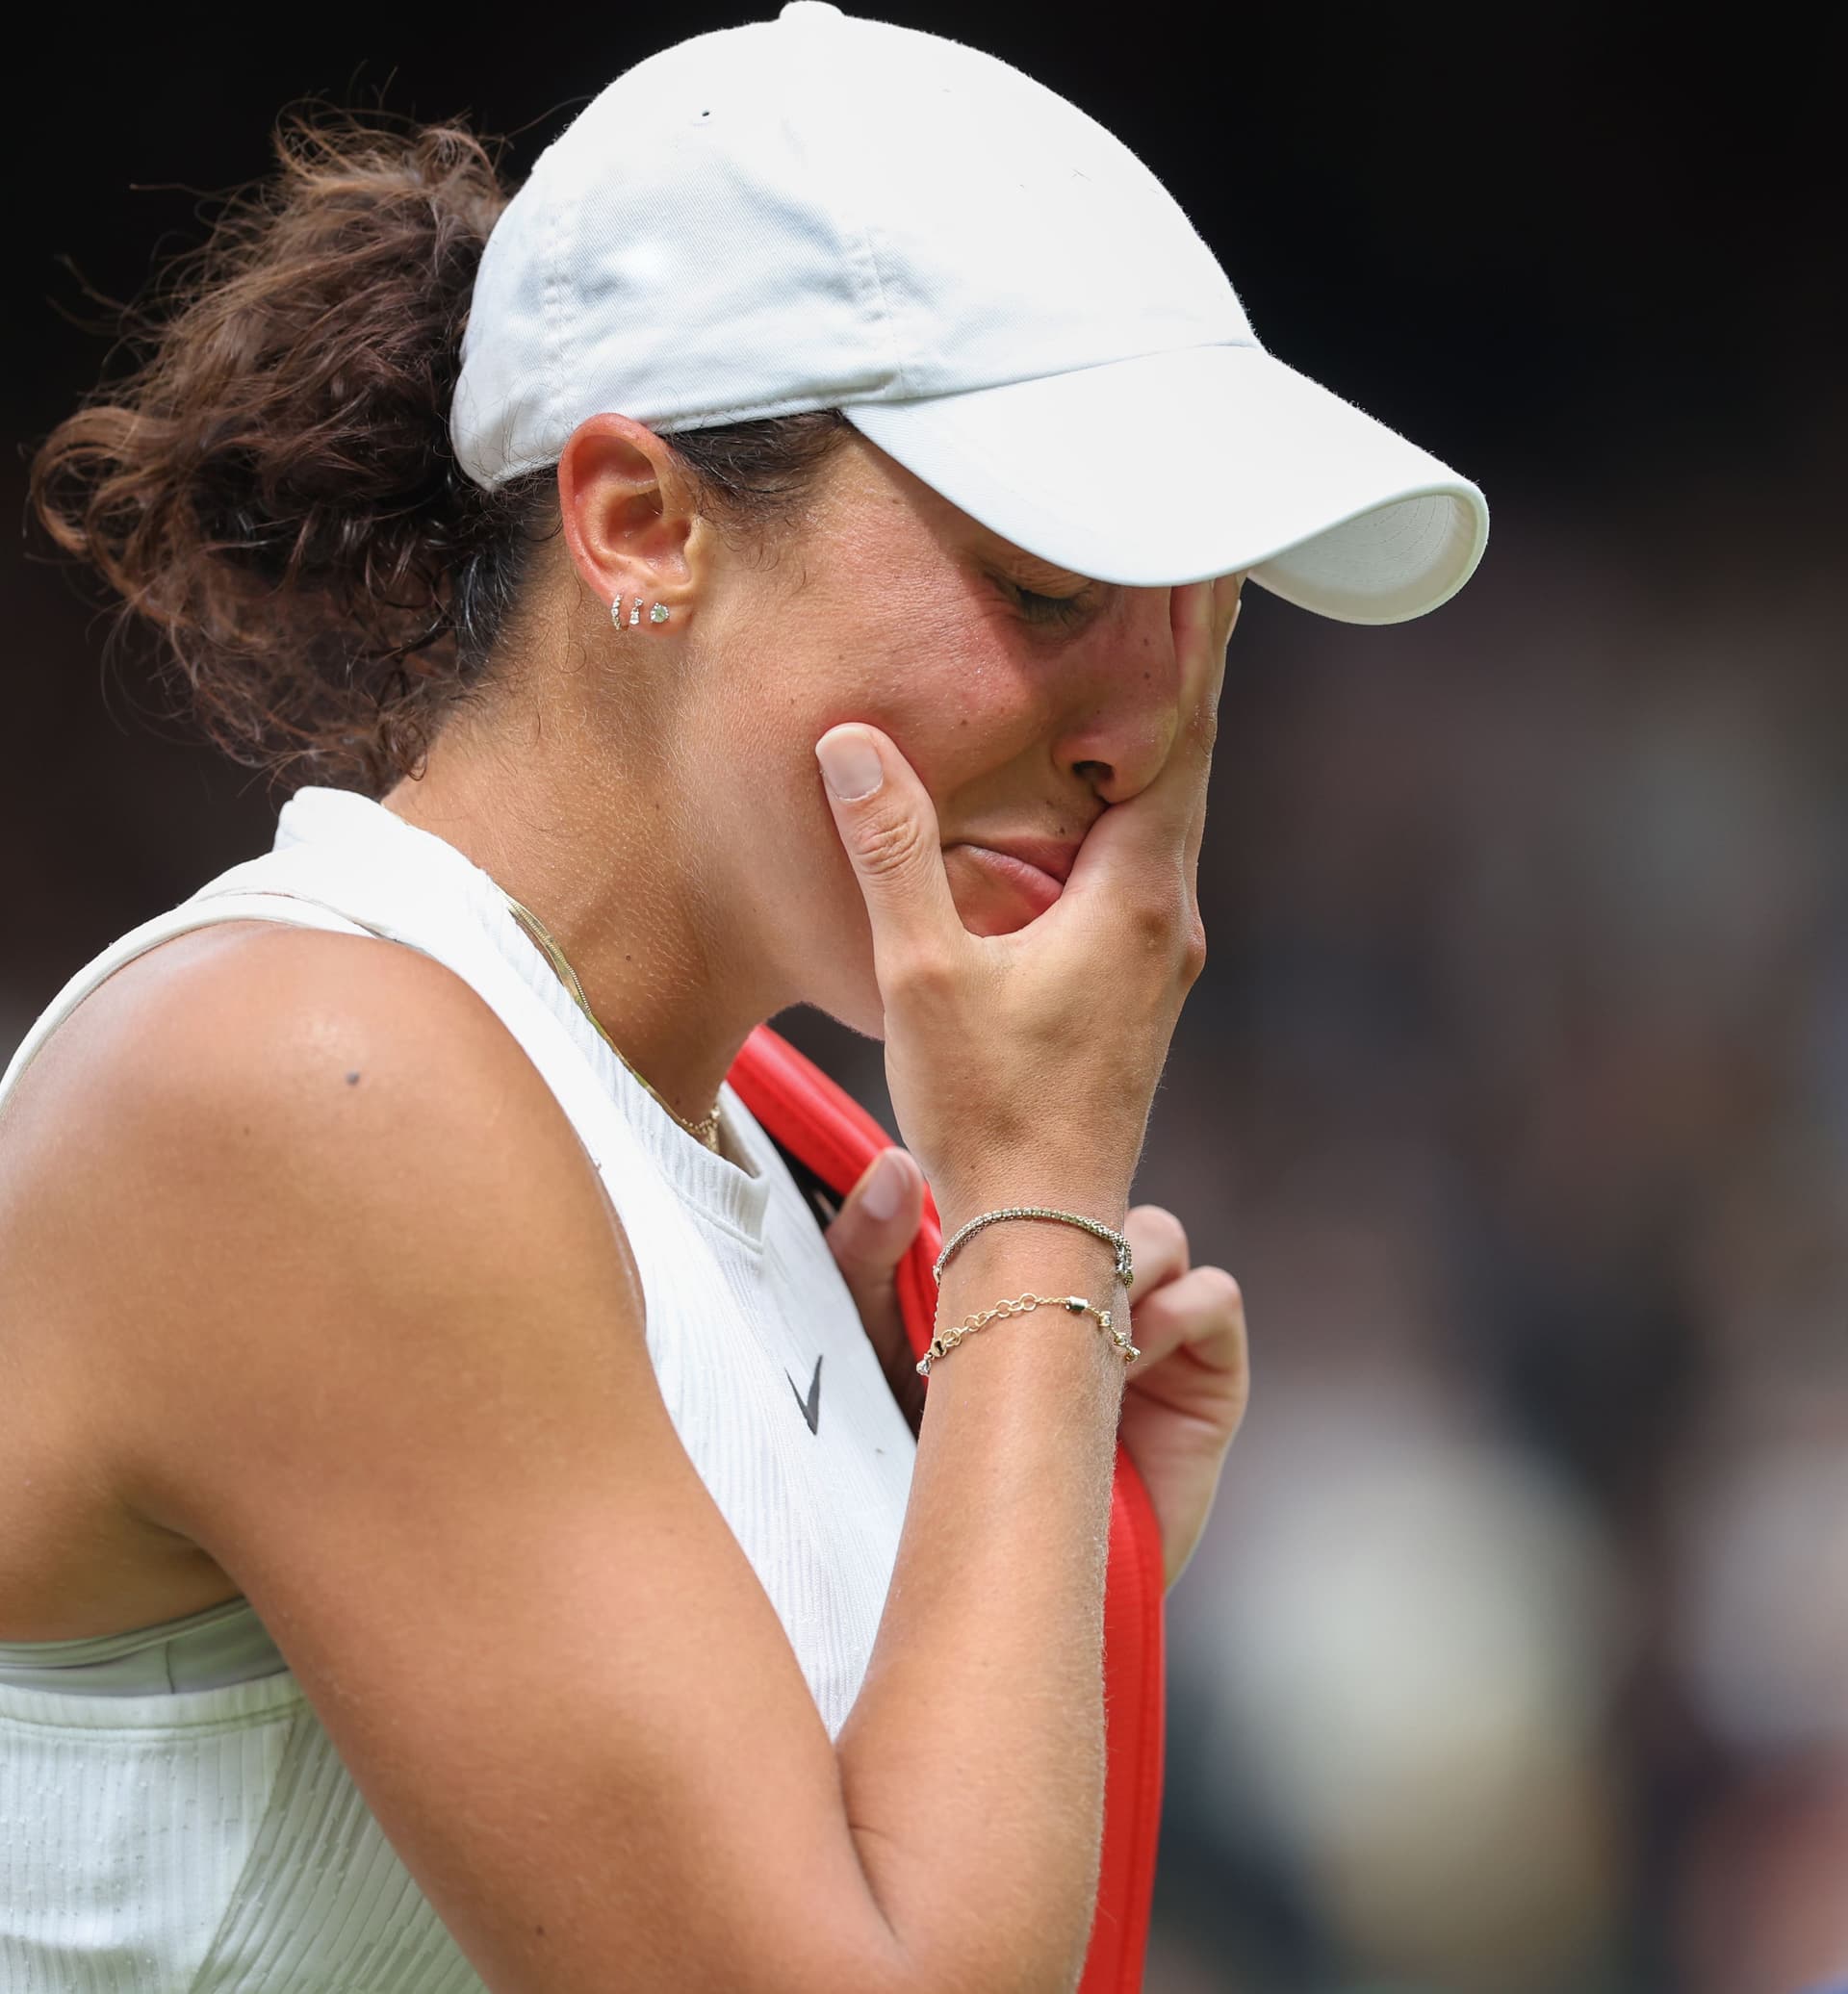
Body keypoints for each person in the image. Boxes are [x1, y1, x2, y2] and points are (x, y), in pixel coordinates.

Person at [0, 5, 1487, 1988]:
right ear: (642, 524)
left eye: (1204, 618)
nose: (1140, 734)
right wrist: (1042, 1221)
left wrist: (1029, 1497)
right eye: (1048, 586)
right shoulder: (308, 1083)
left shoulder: (766, 1180)